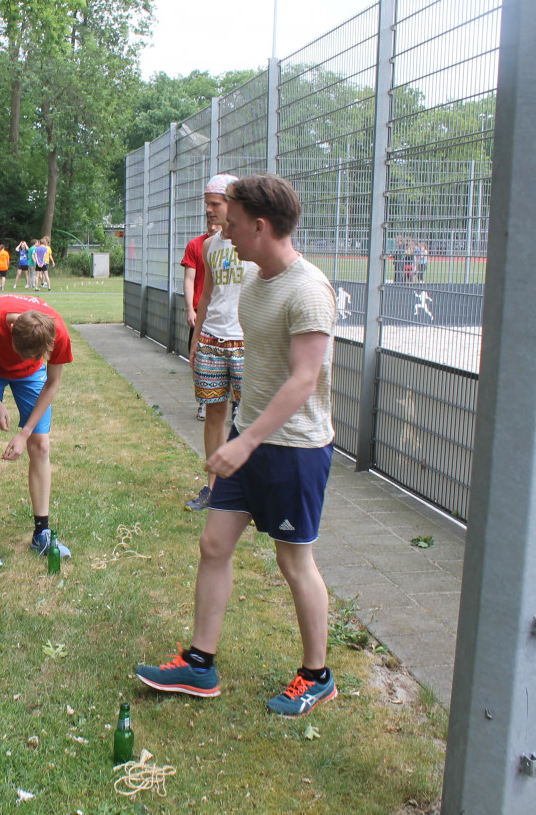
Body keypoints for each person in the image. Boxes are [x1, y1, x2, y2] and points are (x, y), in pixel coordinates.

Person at [137, 173, 339, 718]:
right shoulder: (254, 282)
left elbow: (303, 380)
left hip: (292, 448)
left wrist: (245, 441)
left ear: (260, 225)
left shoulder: (308, 289)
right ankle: (200, 664)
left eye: (231, 224)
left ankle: (317, 675)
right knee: (214, 545)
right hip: (247, 437)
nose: (223, 232)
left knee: (294, 560)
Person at [0, 293, 74, 567]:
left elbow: (52, 383)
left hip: (31, 375)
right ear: (12, 331)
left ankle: (42, 532)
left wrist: (25, 433)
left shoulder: (56, 331)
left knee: (40, 445)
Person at [185, 174, 251, 513]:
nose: (209, 211)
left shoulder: (253, 242)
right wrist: (196, 342)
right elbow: (207, 295)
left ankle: (250, 491)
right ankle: (213, 487)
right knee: (215, 414)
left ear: (233, 204)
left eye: (216, 204)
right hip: (211, 338)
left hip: (245, 341)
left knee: (251, 416)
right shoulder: (210, 246)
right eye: (207, 204)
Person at [181, 222, 222, 422]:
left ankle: (234, 404)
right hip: (201, 311)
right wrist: (190, 308)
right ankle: (204, 401)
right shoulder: (197, 245)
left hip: (225, 314)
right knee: (198, 357)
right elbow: (189, 278)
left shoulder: (238, 246)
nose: (213, 225)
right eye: (208, 219)